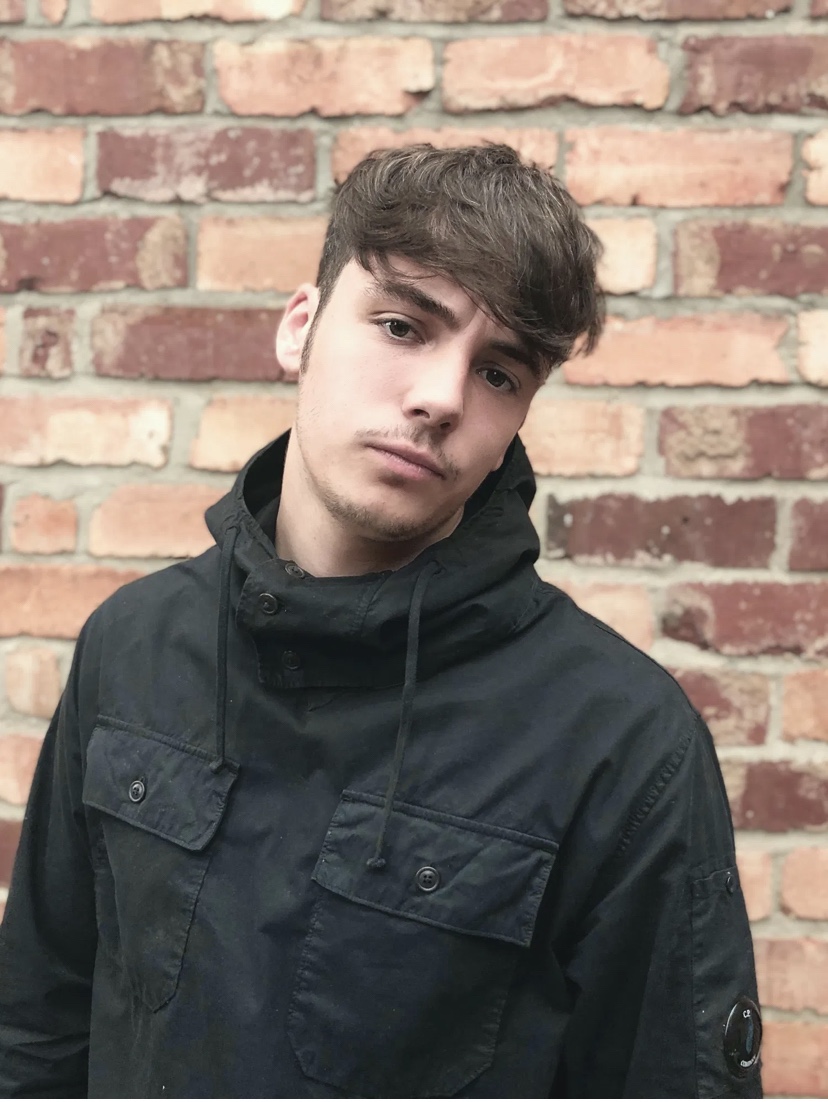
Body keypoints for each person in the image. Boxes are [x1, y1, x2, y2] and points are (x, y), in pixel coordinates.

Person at [0, 144, 762, 1099]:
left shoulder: (623, 744)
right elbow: (37, 1029)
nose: (441, 397)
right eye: (403, 326)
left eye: (499, 374)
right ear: (301, 328)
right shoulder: (134, 644)